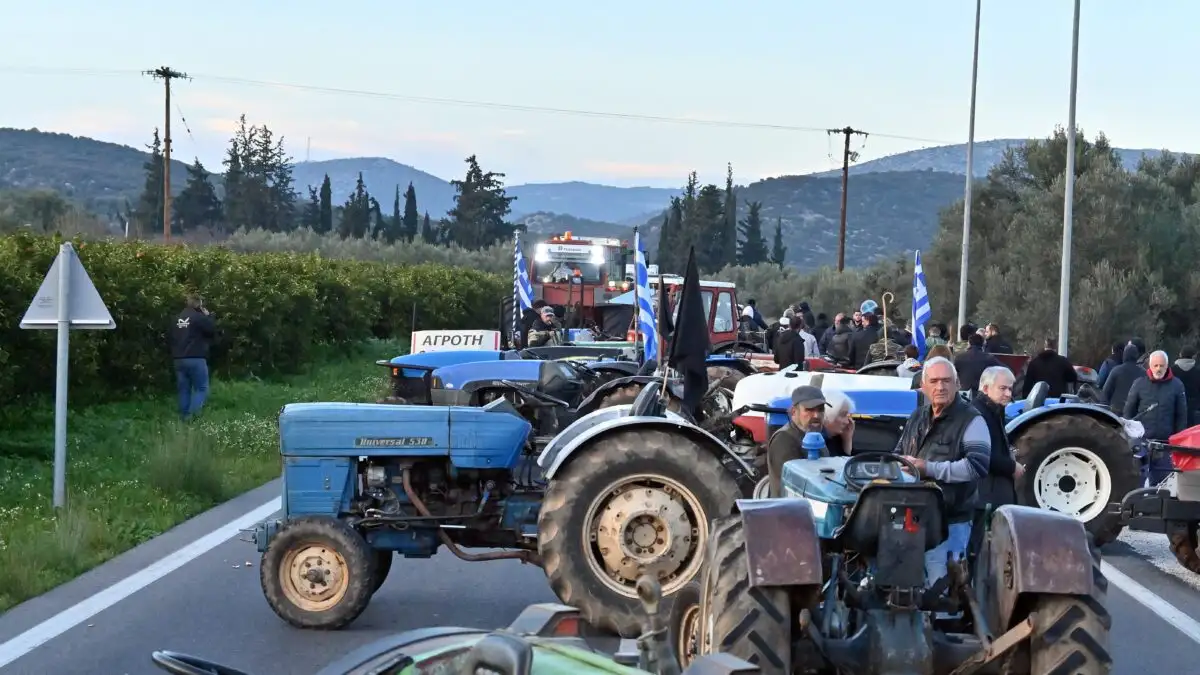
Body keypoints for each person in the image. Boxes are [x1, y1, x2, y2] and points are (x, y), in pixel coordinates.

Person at [894, 357, 990, 587]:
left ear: (957, 384)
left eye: (947, 381)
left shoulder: (972, 419)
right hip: (912, 517)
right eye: (934, 381)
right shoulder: (917, 416)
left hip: (951, 522)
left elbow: (977, 466)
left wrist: (927, 468)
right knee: (907, 586)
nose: (941, 387)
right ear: (923, 386)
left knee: (943, 588)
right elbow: (898, 452)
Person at [1125, 350, 1189, 486]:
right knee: (1136, 480)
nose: (1158, 369)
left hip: (1164, 444)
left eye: (1161, 365)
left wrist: (1178, 442)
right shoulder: (1139, 384)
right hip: (1142, 442)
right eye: (1156, 365)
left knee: (1162, 484)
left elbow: (1181, 415)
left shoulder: (1177, 385)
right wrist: (1130, 437)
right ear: (1150, 366)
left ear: (1167, 366)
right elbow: (1129, 412)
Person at [973, 366, 1023, 508]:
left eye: (1010, 389)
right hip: (985, 496)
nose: (1008, 394)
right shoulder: (977, 415)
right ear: (986, 388)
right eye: (1002, 388)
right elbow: (981, 456)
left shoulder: (995, 411)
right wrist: (1012, 467)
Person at [766, 386, 830, 497]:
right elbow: (794, 484)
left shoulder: (816, 435)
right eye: (809, 410)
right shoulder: (783, 439)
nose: (816, 415)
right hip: (790, 506)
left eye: (820, 409)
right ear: (794, 412)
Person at [171, 293, 217, 422]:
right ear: (199, 305)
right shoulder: (198, 317)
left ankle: (184, 417)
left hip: (178, 358)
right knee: (201, 388)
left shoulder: (176, 318)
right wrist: (209, 316)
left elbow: (170, 337)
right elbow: (211, 330)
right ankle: (193, 417)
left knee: (184, 390)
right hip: (195, 357)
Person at [1101, 343, 1144, 414]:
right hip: (1135, 414)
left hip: (1116, 412)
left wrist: (1104, 412)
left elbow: (1105, 393)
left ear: (1124, 355)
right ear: (1137, 356)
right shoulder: (1143, 373)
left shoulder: (1116, 370)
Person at [822, 389, 856, 456]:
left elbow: (846, 461)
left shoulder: (837, 439)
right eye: (843, 415)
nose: (847, 422)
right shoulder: (817, 442)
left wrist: (847, 440)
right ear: (827, 414)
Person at [1172, 346, 1200, 428]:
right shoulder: (1198, 372)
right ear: (1193, 356)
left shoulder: (1172, 370)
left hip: (1175, 407)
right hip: (1194, 409)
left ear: (1180, 355)